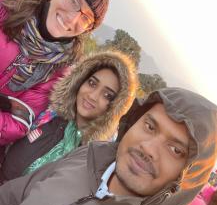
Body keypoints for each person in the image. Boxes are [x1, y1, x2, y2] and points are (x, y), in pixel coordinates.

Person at [0, 87, 217, 205]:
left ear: (190, 176)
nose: (148, 148)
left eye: (175, 150)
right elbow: (13, 195)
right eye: (149, 126)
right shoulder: (88, 156)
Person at [0, 0, 109, 145]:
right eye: (74, 1)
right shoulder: (4, 6)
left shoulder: (58, 71)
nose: (73, 19)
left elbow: (20, 122)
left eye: (86, 18)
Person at [1, 50, 137, 180]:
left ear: (115, 107)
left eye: (107, 95)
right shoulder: (46, 113)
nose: (93, 96)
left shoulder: (94, 160)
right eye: (92, 83)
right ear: (80, 81)